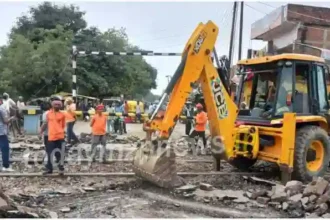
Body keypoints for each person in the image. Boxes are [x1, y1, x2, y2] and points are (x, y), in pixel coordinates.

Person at [39, 98, 66, 175]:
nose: (57, 106)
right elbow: (45, 124)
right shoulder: (48, 114)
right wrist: (40, 131)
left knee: (60, 153)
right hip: (51, 137)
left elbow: (63, 125)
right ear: (52, 105)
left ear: (60, 106)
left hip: (60, 137)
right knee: (50, 153)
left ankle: (61, 168)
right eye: (55, 105)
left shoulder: (62, 115)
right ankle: (49, 169)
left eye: (58, 105)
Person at [0, 104, 15, 172]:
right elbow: (5, 121)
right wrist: (12, 118)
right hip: (1, 132)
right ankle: (5, 166)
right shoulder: (1, 108)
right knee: (5, 148)